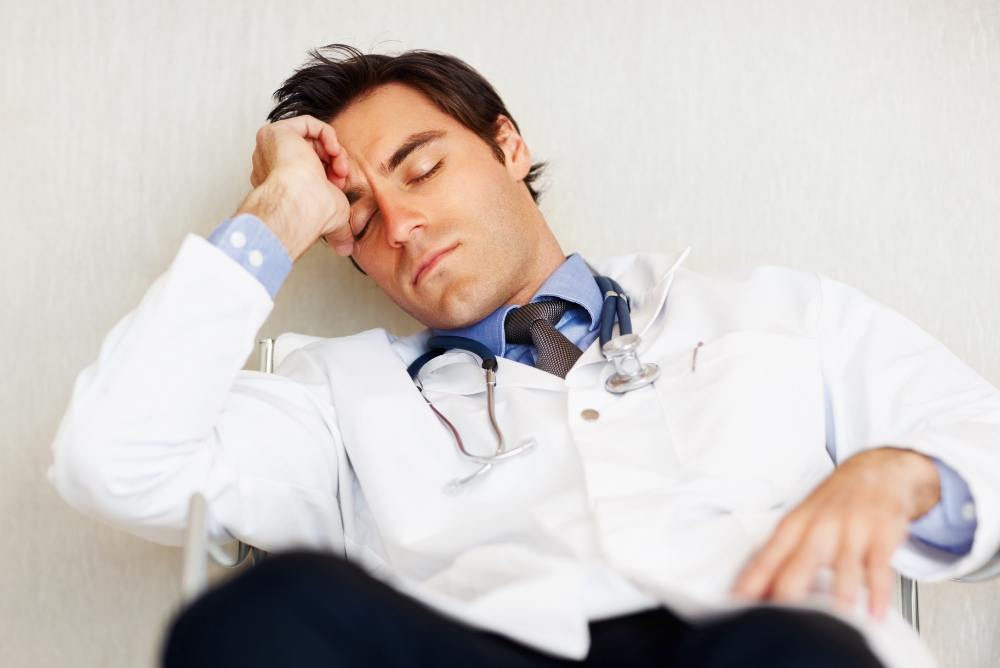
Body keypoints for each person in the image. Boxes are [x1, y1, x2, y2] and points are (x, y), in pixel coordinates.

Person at [49, 45, 1000, 668]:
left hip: (753, 636)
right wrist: (280, 213)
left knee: (797, 654)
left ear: (508, 146)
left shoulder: (776, 310)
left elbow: (980, 434)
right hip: (489, 648)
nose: (405, 223)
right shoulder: (339, 399)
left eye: (421, 167)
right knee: (262, 614)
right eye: (364, 219)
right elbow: (113, 460)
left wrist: (905, 473)